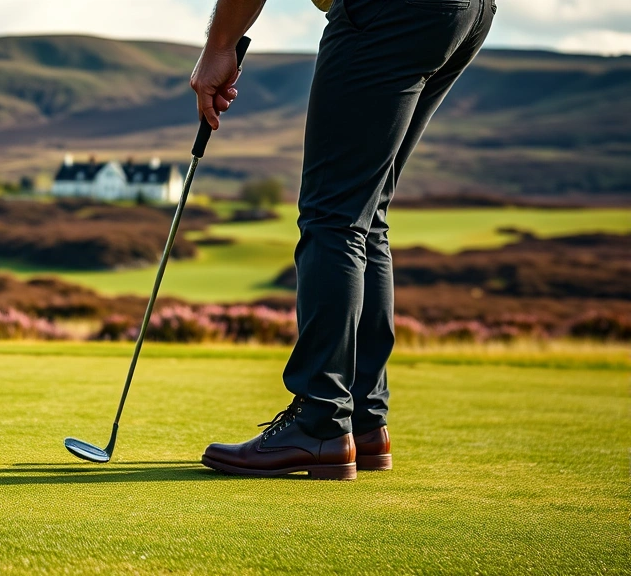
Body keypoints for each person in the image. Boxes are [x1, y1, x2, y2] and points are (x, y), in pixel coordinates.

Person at [190, 0, 494, 480]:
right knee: (365, 214)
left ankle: (322, 424)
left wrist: (219, 46)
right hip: (466, 13)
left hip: (388, 11)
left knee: (333, 216)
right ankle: (364, 422)